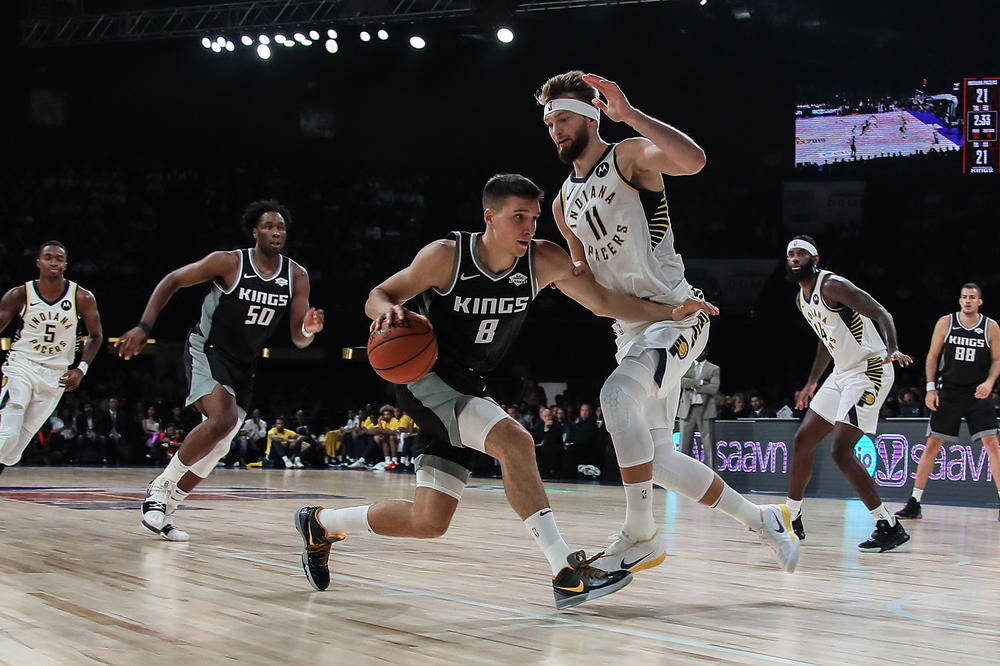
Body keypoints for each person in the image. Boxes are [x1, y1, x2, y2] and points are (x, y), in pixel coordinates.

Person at [295, 173, 717, 609]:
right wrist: (386, 312)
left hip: (469, 384)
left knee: (428, 520)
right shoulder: (446, 256)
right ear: (489, 217)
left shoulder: (542, 260)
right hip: (426, 379)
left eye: (534, 217)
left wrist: (670, 310)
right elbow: (379, 293)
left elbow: (604, 304)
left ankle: (320, 523)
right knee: (515, 441)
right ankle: (564, 571)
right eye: (519, 217)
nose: (529, 227)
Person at [537, 71, 799, 575]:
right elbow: (591, 286)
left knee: (615, 397)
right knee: (656, 461)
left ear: (590, 115)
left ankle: (640, 535)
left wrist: (631, 113)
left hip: (681, 313)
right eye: (549, 122)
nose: (556, 130)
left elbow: (694, 161)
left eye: (564, 118)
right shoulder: (561, 204)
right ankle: (763, 519)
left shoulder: (629, 156)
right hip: (634, 328)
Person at [116, 200, 323, 541]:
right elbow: (172, 280)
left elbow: (297, 339)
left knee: (220, 446)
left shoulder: (296, 275)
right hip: (207, 348)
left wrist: (309, 330)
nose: (276, 232)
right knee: (223, 419)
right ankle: (160, 487)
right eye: (269, 226)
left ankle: (168, 509)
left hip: (244, 363)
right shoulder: (229, 262)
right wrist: (143, 326)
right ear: (255, 231)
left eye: (281, 227)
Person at [785, 235, 912, 551]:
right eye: (791, 253)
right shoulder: (801, 299)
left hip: (871, 369)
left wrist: (892, 348)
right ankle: (792, 517)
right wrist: (812, 382)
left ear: (815, 258)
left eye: (802, 253)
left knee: (840, 449)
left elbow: (881, 312)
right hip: (841, 373)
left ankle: (888, 525)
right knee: (803, 440)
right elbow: (825, 340)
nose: (795, 257)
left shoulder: (833, 285)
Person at [897, 283, 1000, 520]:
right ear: (960, 300)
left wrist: (990, 383)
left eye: (972, 297)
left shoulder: (991, 326)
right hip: (949, 392)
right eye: (964, 297)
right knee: (933, 444)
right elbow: (932, 356)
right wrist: (930, 388)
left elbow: (997, 360)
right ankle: (914, 502)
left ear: (979, 302)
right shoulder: (946, 322)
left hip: (978, 393)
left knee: (992, 444)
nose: (967, 301)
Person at [0, 241, 103, 474]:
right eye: (48, 257)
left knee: (13, 451)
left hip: (56, 375)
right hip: (20, 366)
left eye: (58, 258)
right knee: (6, 436)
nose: (54, 261)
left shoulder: (82, 297)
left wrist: (81, 368)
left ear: (65, 264)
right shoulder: (19, 294)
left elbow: (96, 337)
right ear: (39, 262)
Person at [678, 350, 720, 469]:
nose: (699, 353)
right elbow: (681, 382)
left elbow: (713, 388)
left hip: (705, 410)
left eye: (703, 351)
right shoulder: (686, 365)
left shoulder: (713, 369)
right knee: (684, 446)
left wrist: (692, 386)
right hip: (687, 410)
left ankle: (712, 475)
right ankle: (682, 473)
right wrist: (700, 382)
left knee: (709, 446)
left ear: (706, 353)